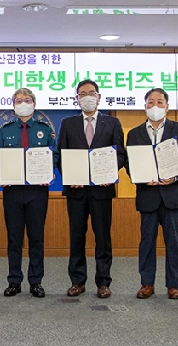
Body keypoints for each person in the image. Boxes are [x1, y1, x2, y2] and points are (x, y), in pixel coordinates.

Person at [126, 88, 178, 300]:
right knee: (147, 242)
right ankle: (147, 283)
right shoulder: (134, 133)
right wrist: (141, 177)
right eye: (150, 102)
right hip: (147, 195)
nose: (155, 106)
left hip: (171, 195)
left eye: (159, 102)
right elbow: (129, 163)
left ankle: (174, 285)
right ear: (145, 107)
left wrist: (176, 176)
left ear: (167, 107)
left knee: (173, 242)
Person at [57, 79, 126, 299]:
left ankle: (103, 282)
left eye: (91, 93)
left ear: (99, 97)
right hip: (76, 191)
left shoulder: (112, 123)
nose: (87, 97)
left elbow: (120, 155)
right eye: (82, 94)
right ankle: (77, 281)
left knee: (103, 237)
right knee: (76, 236)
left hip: (102, 190)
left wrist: (109, 173)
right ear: (77, 99)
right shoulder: (68, 123)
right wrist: (70, 177)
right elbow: (61, 155)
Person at [0, 88, 57, 298]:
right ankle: (14, 281)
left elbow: (54, 154)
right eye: (19, 100)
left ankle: (36, 281)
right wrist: (0, 172)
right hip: (12, 191)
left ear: (34, 104)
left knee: (36, 237)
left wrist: (49, 170)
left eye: (27, 100)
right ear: (13, 106)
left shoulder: (44, 129)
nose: (23, 103)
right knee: (14, 238)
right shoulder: (5, 131)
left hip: (37, 191)